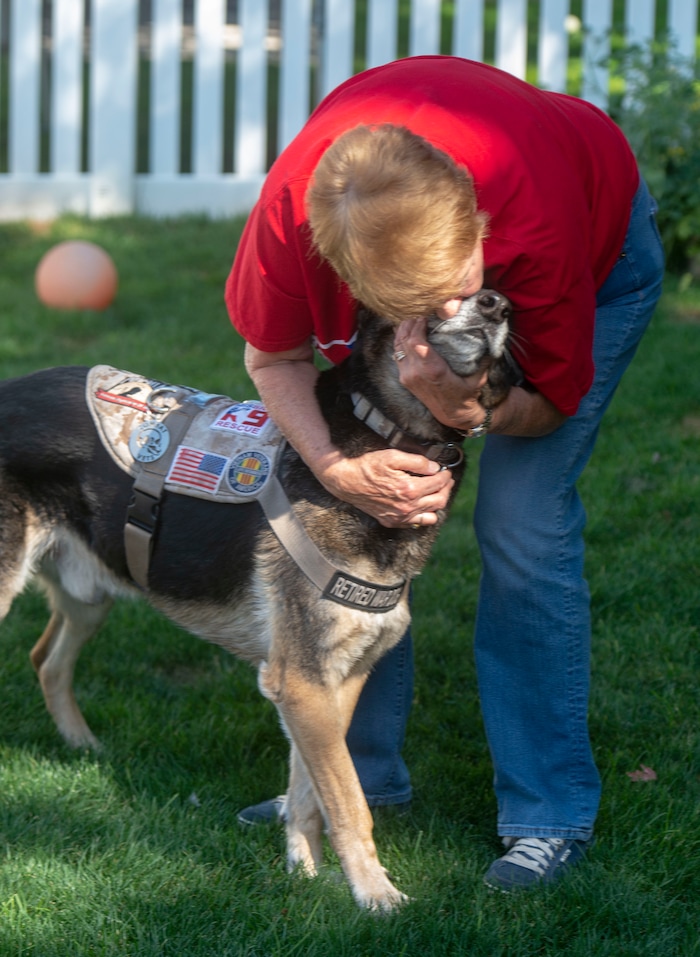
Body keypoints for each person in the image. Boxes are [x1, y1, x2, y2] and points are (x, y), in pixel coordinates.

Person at [225, 56, 664, 891]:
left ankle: (548, 815)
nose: (457, 312)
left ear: (476, 224)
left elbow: (548, 403)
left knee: (521, 520)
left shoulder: (530, 225)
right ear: (359, 288)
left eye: (462, 286)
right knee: (359, 509)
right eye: (424, 306)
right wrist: (335, 465)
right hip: (424, 240)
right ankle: (355, 777)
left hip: (600, 250)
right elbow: (271, 354)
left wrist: (467, 410)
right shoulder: (295, 216)